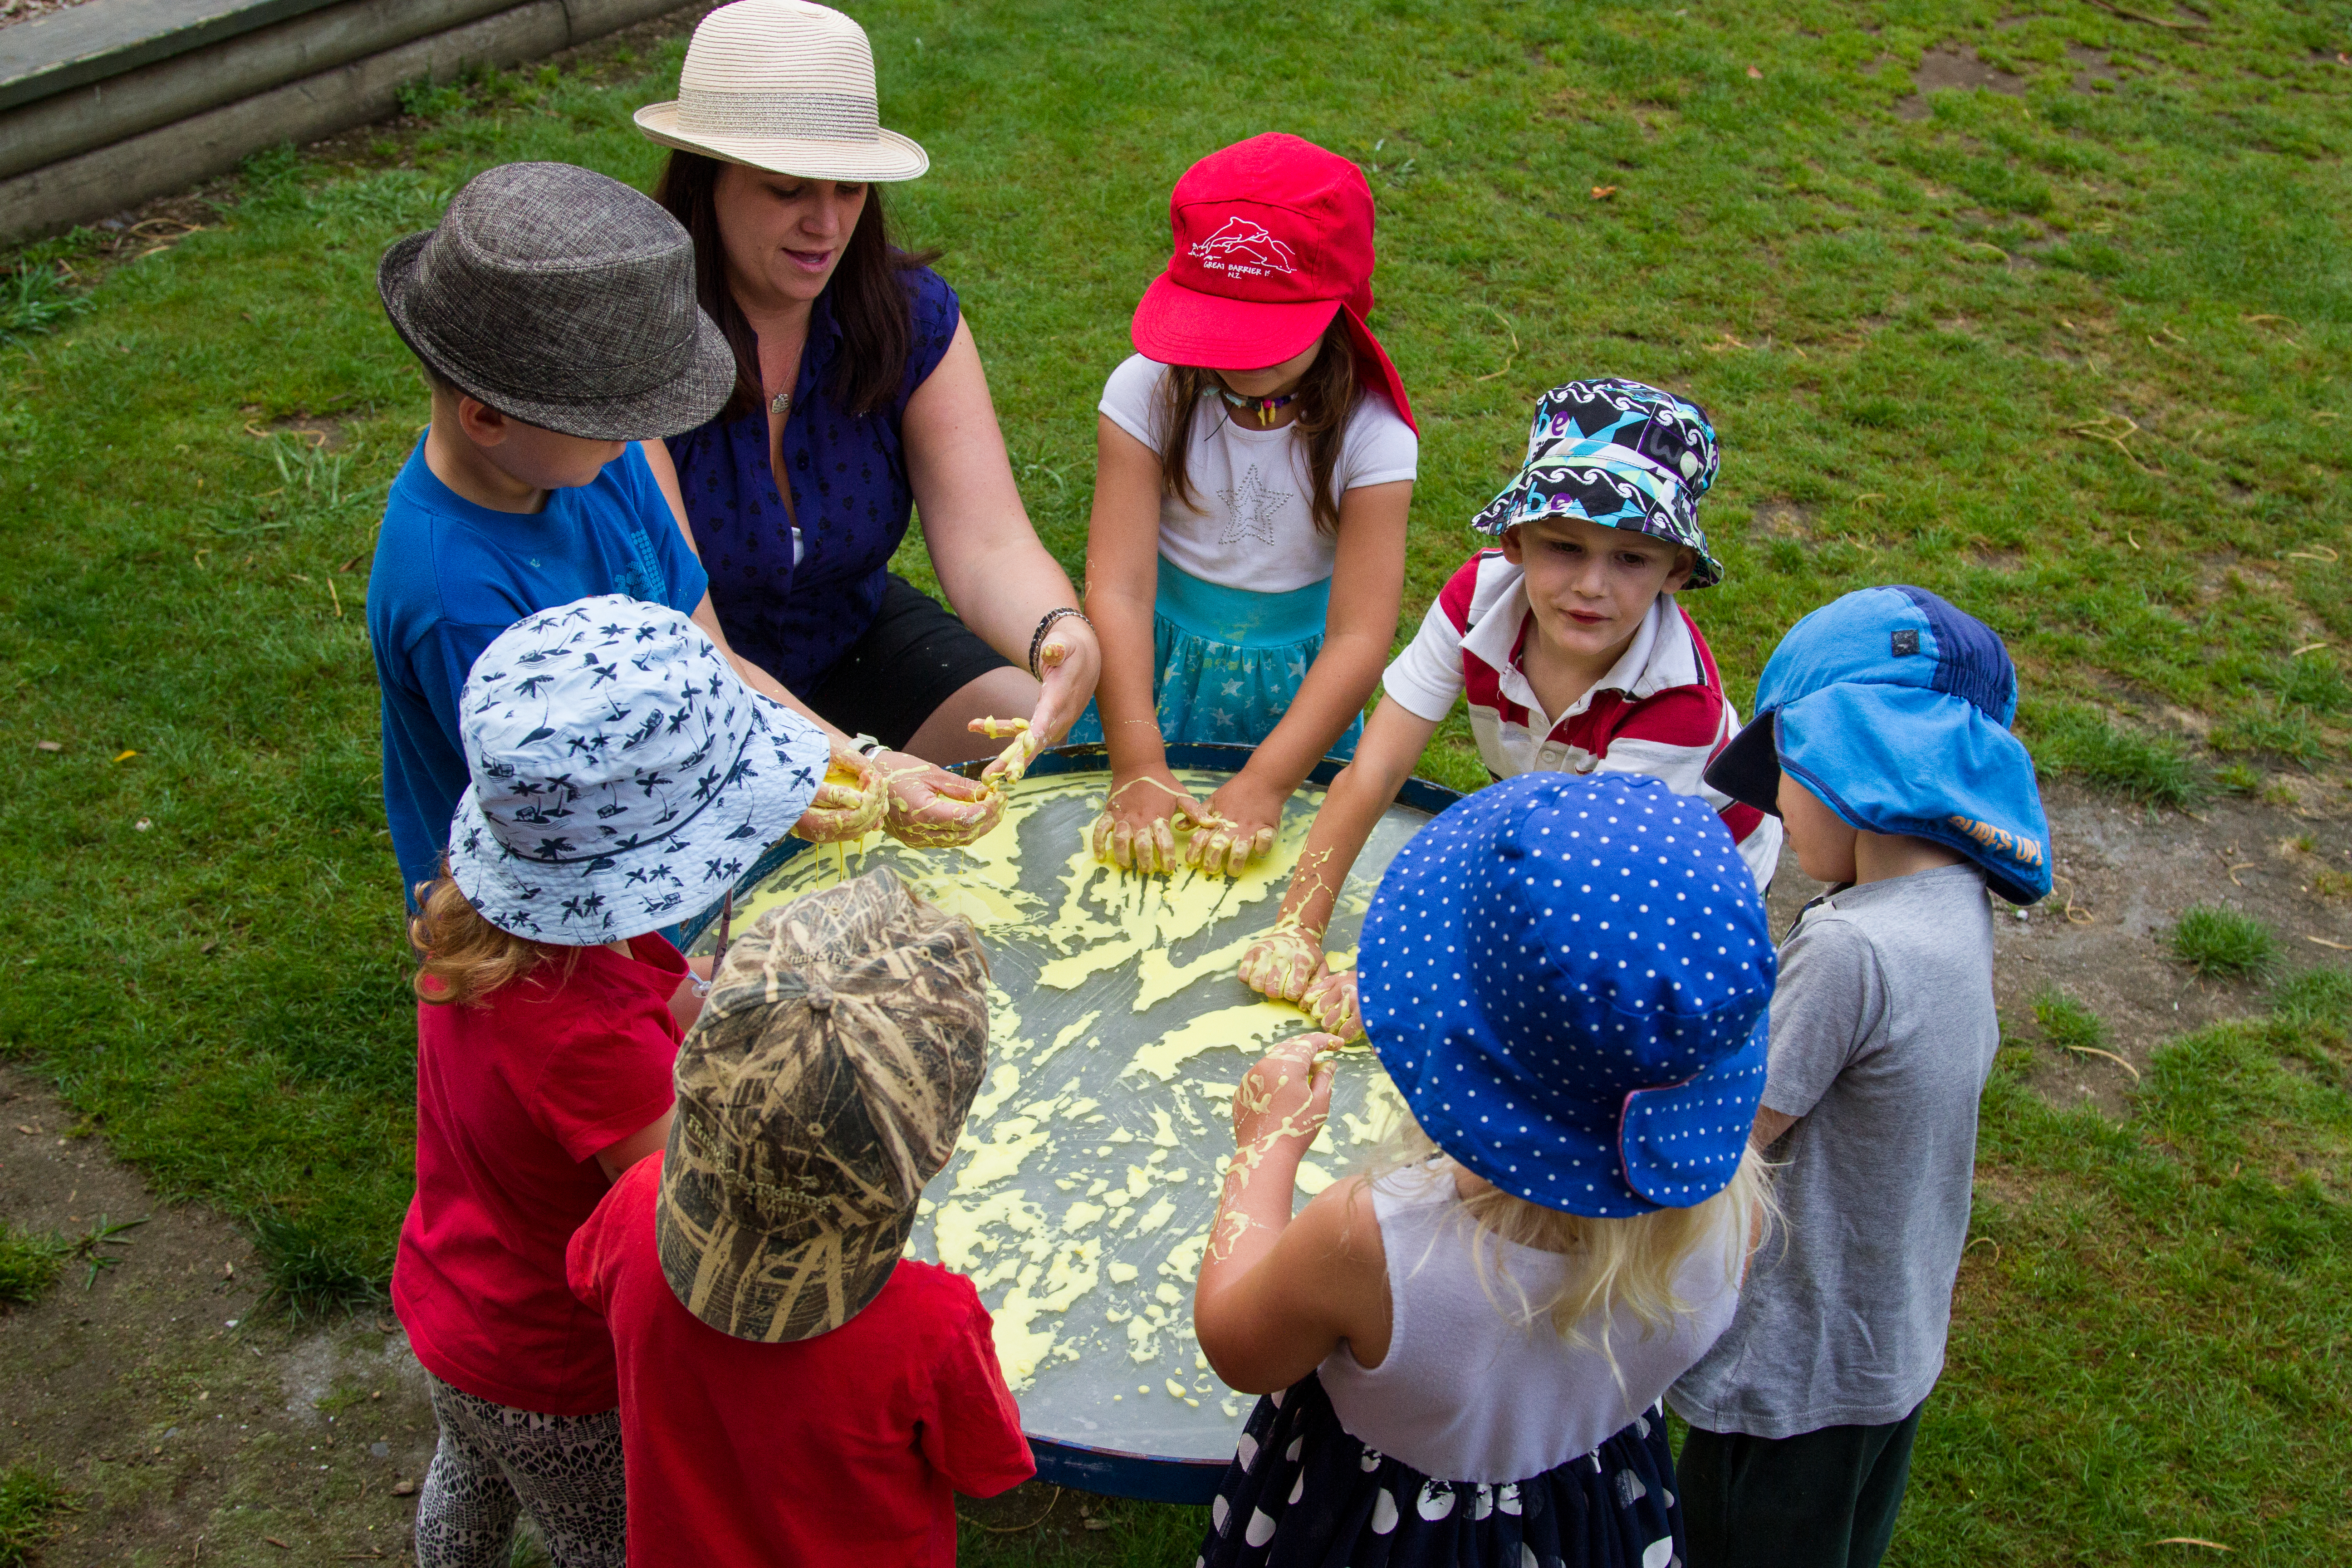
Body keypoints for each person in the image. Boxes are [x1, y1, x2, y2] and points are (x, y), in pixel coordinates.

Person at [1192, 772, 1779, 1568]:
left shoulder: (1371, 1239)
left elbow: (1238, 1346)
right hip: (1588, 1508)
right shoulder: (1731, 1207)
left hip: (1371, 1526)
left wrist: (1264, 1146)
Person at [393, 596, 855, 1568]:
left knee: (469, 1474)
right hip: (560, 1371)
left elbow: (664, 989)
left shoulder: (505, 929)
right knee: (605, 1542)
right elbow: (693, 1220)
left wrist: (714, 999)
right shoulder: (588, 1036)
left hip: (454, 1295)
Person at [637, 0, 1101, 847]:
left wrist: (1056, 635)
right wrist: (863, 765)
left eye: (850, 187)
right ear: (706, 180)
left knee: (1049, 771)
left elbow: (990, 540)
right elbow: (690, 637)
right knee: (784, 906)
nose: (827, 224)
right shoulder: (638, 345)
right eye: (788, 191)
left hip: (847, 630)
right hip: (689, 690)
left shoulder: (908, 315)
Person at [367, 159, 881, 923]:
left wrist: (859, 766)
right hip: (554, 917)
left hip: (666, 842)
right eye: (614, 420)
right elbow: (572, 839)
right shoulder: (458, 600)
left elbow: (717, 665)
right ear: (486, 418)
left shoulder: (600, 460)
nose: (643, 437)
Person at [1667, 586, 2053, 1568]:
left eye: (1789, 767)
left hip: (1790, 1366)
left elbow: (1724, 1136)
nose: (1775, 804)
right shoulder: (1957, 907)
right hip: (1888, 1351)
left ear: (1860, 752)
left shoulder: (1851, 951)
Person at [1238, 378, 1779, 1036]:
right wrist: (1299, 925)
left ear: (1676, 572)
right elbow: (1375, 769)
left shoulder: (1680, 708)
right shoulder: (1476, 597)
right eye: (1565, 546)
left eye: (1632, 558)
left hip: (1679, 891)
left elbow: (1580, 894)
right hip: (1562, 834)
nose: (1591, 585)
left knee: (1594, 1026)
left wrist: (1407, 973)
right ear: (1516, 541)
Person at [568, 866, 1036, 1567]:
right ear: (932, 1142)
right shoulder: (931, 1325)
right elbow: (985, 1468)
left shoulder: (634, 1203)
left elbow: (586, 1281)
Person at [1076, 132, 1419, 878]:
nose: (1238, 355)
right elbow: (1120, 590)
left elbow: (1360, 638)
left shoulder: (1375, 439)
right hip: (1148, 675)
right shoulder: (1144, 393)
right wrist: (1136, 756)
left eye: (1265, 332)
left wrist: (1269, 781)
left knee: (1260, 893)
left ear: (1339, 305)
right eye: (1221, 326)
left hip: (1299, 704)